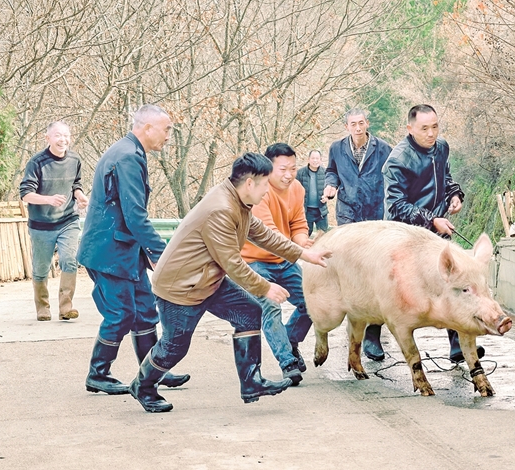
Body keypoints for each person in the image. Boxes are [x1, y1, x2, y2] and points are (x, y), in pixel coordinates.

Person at [129, 153, 331, 413]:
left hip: (207, 278)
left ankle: (251, 382)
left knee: (249, 312)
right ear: (250, 183)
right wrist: (266, 287)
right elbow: (233, 263)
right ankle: (142, 386)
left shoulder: (238, 201)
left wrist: (305, 254)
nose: (267, 190)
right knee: (174, 347)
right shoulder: (222, 209)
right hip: (180, 287)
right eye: (264, 184)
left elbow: (265, 235)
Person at [77, 105, 189, 395]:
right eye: (166, 129)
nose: (168, 136)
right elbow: (135, 215)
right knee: (121, 314)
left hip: (124, 249)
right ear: (147, 128)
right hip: (109, 251)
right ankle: (98, 374)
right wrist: (161, 253)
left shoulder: (129, 151)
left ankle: (153, 371)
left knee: (144, 311)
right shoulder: (127, 156)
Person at [382, 104, 482, 364]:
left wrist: (455, 195)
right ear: (410, 128)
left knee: (452, 282)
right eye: (424, 128)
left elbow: (446, 178)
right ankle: (371, 334)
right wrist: (431, 220)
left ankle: (458, 343)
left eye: (435, 127)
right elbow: (396, 205)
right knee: (391, 288)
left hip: (438, 230)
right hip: (405, 233)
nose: (431, 133)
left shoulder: (442, 147)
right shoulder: (397, 160)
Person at [323, 107, 392, 360]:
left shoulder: (383, 149)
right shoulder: (336, 148)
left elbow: (394, 175)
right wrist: (331, 185)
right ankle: (354, 320)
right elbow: (331, 171)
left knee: (375, 272)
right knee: (351, 270)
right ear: (347, 127)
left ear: (367, 123)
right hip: (348, 214)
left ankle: (373, 336)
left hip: (375, 214)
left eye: (361, 123)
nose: (358, 127)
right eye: (353, 124)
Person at [241, 143, 314, 384]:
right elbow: (268, 235)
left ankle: (290, 340)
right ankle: (287, 362)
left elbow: (298, 223)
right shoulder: (259, 191)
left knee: (313, 301)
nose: (289, 175)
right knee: (270, 306)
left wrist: (303, 240)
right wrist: (300, 252)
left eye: (293, 168)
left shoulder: (297, 188)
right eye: (283, 169)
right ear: (268, 168)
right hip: (255, 260)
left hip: (285, 259)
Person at [19, 121, 89, 322]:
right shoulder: (37, 162)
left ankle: (66, 307)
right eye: (58, 135)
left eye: (66, 135)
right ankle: (43, 307)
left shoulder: (74, 159)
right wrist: (48, 200)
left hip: (68, 220)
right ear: (47, 138)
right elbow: (25, 194)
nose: (62, 140)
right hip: (41, 224)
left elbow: (75, 184)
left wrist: (79, 195)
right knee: (41, 268)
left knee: (70, 260)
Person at [296, 150, 329, 235]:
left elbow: (330, 188)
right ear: (308, 159)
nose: (315, 160)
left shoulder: (326, 173)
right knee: (304, 235)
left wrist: (327, 197)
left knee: (323, 236)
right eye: (313, 158)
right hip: (306, 211)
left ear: (320, 160)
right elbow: (294, 190)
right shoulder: (300, 173)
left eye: (317, 158)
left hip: (321, 211)